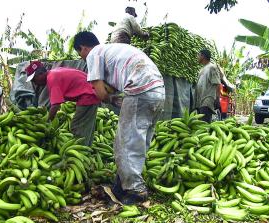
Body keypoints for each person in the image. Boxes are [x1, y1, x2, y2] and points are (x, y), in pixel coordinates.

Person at [73, 31, 165, 204]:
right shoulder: (114, 50)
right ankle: (122, 184)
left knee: (124, 143)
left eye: (80, 53)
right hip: (158, 91)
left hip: (140, 89)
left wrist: (110, 99)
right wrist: (116, 98)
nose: (82, 58)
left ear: (84, 48)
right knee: (138, 143)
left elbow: (99, 92)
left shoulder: (94, 54)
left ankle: (135, 191)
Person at [25, 61, 100, 146]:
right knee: (86, 127)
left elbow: (56, 105)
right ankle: (87, 148)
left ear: (40, 74)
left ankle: (81, 152)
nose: (34, 83)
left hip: (88, 96)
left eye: (34, 79)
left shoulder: (52, 78)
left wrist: (46, 122)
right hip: (92, 92)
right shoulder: (54, 73)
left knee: (77, 126)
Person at [195, 49, 221, 123]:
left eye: (198, 55)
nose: (197, 57)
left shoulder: (212, 67)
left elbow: (217, 83)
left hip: (207, 100)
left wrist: (217, 99)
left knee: (204, 124)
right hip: (200, 101)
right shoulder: (202, 69)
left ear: (203, 56)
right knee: (200, 124)